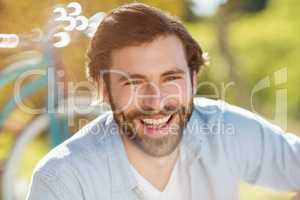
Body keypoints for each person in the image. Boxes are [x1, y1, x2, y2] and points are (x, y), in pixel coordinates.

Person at [26, 3, 300, 200]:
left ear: (193, 81)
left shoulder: (224, 131)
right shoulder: (62, 182)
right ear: (104, 89)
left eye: (171, 78)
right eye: (133, 82)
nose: (156, 102)